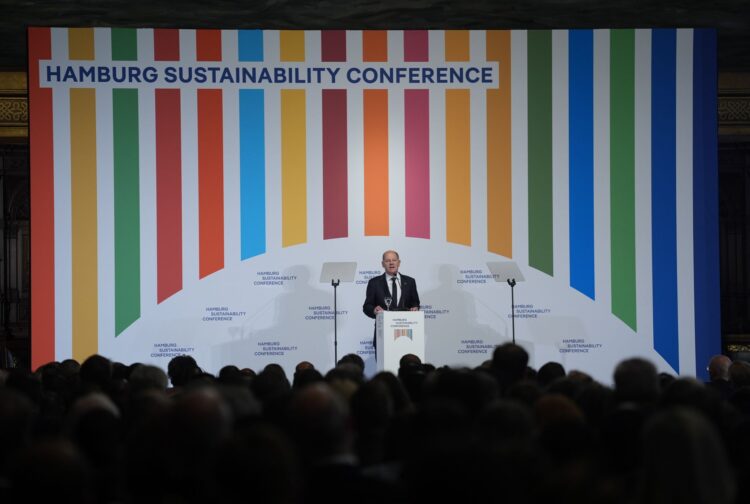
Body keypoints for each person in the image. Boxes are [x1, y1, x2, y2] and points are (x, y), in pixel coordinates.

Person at [362, 250, 421, 348]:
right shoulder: (374, 283)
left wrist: (415, 307)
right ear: (382, 264)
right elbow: (367, 306)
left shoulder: (410, 281)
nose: (391, 263)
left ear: (399, 263)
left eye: (394, 260)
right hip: (384, 335)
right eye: (387, 260)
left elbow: (415, 302)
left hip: (406, 334)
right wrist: (374, 310)